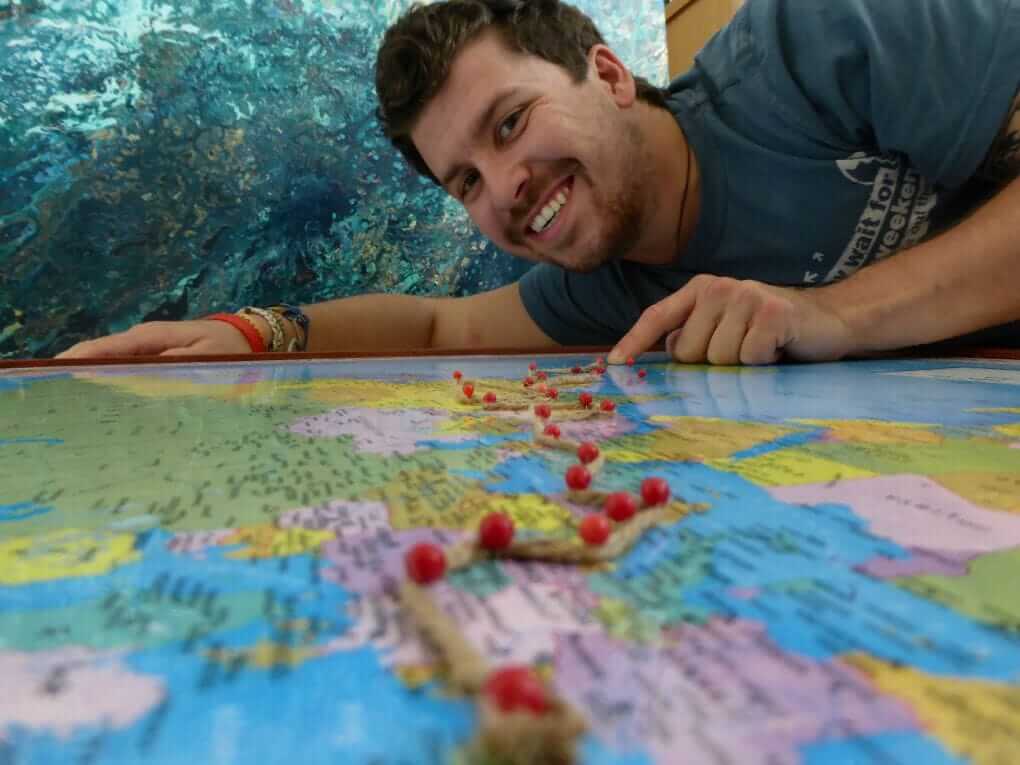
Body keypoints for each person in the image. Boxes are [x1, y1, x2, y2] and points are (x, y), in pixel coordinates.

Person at [57, 0, 1020, 364]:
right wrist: (249, 331)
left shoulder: (820, 39)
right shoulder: (609, 281)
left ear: (607, 74)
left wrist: (839, 315)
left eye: (511, 122)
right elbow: (441, 326)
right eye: (465, 180)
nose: (506, 189)